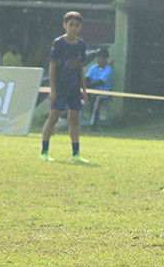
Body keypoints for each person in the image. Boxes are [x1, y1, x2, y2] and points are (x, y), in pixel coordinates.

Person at [40, 11, 89, 163]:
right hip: (60, 87)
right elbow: (52, 66)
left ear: (80, 27)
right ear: (65, 25)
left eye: (77, 25)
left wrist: (84, 90)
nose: (74, 28)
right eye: (71, 25)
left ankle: (76, 153)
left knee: (74, 120)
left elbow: (81, 68)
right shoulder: (58, 43)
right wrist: (52, 89)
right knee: (53, 118)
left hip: (74, 88)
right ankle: (44, 152)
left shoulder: (81, 45)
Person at [84, 47, 114, 131]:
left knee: (95, 99)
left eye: (100, 57)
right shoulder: (94, 67)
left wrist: (87, 86)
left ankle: (92, 124)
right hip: (92, 91)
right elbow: (87, 79)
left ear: (105, 58)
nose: (98, 59)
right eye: (97, 56)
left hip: (103, 93)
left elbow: (99, 83)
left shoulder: (108, 70)